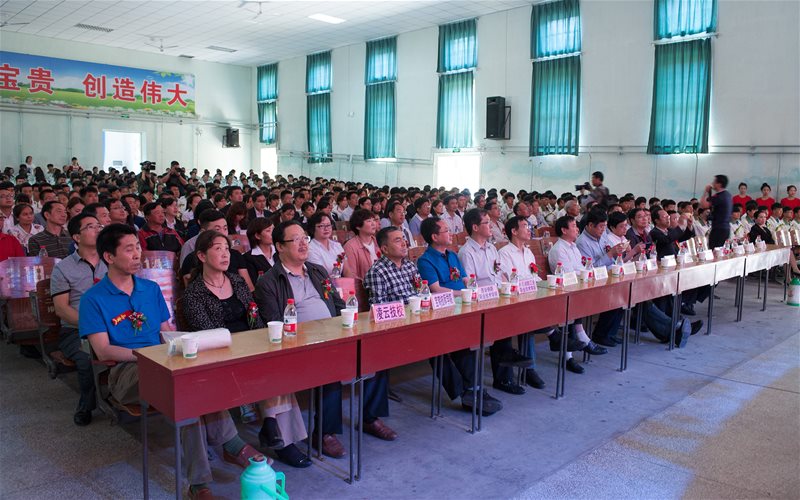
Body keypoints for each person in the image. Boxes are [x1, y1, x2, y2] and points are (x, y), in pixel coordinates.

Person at [80, 224, 264, 499]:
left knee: (195, 379)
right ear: (109, 257)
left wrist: (180, 346)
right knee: (185, 388)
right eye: (129, 249)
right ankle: (220, 458)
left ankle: (208, 472)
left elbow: (166, 330)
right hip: (125, 370)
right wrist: (148, 356)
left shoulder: (150, 289)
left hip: (164, 360)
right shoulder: (93, 298)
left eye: (138, 247)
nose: (137, 254)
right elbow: (103, 350)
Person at [255, 220, 396, 457]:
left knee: (376, 354)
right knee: (330, 367)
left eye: (305, 238)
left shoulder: (317, 270)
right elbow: (275, 322)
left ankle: (370, 418)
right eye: (295, 239)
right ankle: (324, 433)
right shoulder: (269, 281)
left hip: (333, 334)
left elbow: (338, 304)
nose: (303, 244)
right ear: (279, 246)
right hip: (301, 344)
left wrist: (350, 326)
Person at [182, 231, 310, 468]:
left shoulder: (237, 281)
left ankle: (274, 428)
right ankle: (277, 434)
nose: (225, 254)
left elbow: (255, 318)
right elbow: (207, 333)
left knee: (277, 361)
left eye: (227, 249)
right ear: (201, 256)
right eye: (218, 249)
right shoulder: (194, 293)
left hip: (251, 345)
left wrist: (263, 342)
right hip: (221, 353)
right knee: (263, 366)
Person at [416, 216, 503, 415]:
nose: (451, 234)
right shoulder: (425, 260)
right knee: (442, 348)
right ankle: (467, 391)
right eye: (446, 231)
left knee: (468, 343)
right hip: (441, 310)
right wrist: (464, 293)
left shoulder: (453, 255)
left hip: (462, 306)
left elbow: (466, 279)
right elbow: (436, 289)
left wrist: (473, 290)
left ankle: (474, 390)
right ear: (434, 237)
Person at [458, 208, 534, 394]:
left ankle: (507, 372)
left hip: (496, 296)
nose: (491, 226)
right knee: (501, 321)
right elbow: (470, 284)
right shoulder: (467, 252)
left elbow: (499, 274)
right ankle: (505, 374)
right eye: (486, 223)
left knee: (514, 310)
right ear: (475, 227)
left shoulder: (492, 248)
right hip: (480, 301)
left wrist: (505, 289)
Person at [50, 213, 105, 426]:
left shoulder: (111, 261)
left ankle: (130, 395)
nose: (98, 229)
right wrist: (94, 326)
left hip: (114, 324)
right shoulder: (63, 268)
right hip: (76, 330)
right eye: (91, 226)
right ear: (76, 237)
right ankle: (86, 405)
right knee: (86, 357)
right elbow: (62, 309)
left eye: (99, 225)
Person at [496, 216, 548, 389]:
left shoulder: (528, 252)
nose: (529, 229)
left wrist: (543, 285)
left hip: (529, 297)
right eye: (525, 226)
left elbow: (534, 276)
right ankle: (530, 368)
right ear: (514, 231)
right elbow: (510, 281)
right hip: (513, 299)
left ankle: (530, 368)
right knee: (530, 319)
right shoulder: (504, 253)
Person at [548, 216, 604, 374]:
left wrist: (589, 272)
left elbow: (580, 268)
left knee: (582, 299)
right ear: (564, 230)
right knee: (573, 304)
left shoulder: (573, 247)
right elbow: (567, 274)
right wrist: (586, 273)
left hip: (575, 288)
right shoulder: (559, 249)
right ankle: (569, 356)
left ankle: (581, 341)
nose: (577, 229)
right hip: (561, 292)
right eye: (573, 226)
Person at [342, 208, 379, 280]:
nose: (373, 223)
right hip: (364, 285)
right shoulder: (350, 246)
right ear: (358, 226)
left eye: (374, 220)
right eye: (369, 221)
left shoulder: (379, 241)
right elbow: (351, 275)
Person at [699, 174, 733, 249]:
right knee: (721, 250)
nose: (712, 184)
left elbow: (703, 205)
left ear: (719, 184)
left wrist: (706, 191)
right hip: (725, 228)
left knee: (714, 250)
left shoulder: (720, 196)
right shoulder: (728, 195)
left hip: (718, 228)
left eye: (714, 182)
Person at [243, 217, 275, 285]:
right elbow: (256, 284)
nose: (273, 233)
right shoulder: (248, 258)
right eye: (268, 231)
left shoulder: (281, 251)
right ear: (257, 236)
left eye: (273, 229)